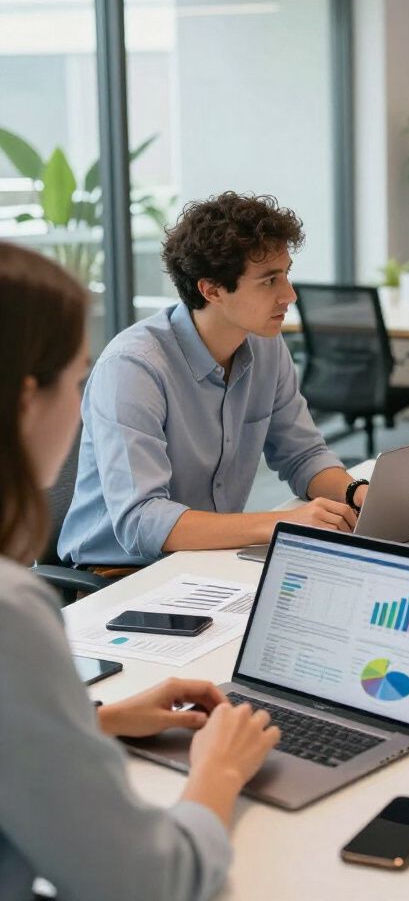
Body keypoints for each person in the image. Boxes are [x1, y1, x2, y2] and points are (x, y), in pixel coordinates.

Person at [0, 241, 280, 899]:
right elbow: (151, 883)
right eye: (78, 380)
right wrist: (216, 771)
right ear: (26, 401)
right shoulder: (10, 613)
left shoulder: (265, 355)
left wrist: (95, 722)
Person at [60, 193, 368, 568]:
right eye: (269, 280)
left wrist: (355, 493)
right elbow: (141, 521)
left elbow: (303, 455)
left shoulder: (265, 346)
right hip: (118, 575)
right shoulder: (133, 368)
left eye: (286, 274)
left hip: (208, 560)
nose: (289, 295)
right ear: (212, 290)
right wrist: (275, 524)